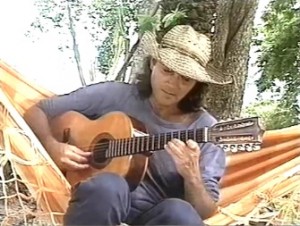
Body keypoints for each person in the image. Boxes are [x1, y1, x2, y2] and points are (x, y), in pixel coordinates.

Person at [24, 25, 232, 226]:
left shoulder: (206, 130)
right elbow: (38, 111)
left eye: (185, 79)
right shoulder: (113, 95)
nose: (173, 84)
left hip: (154, 217)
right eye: (167, 70)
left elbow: (205, 212)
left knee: (182, 213)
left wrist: (192, 175)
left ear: (196, 84)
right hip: (93, 208)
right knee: (108, 185)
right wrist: (52, 145)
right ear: (153, 63)